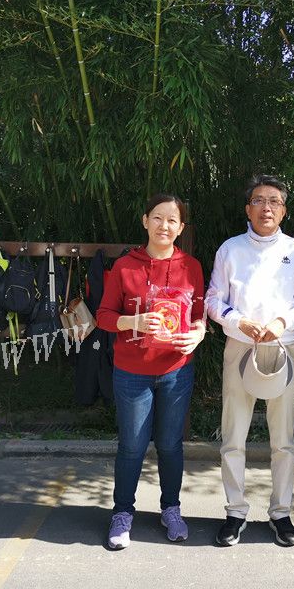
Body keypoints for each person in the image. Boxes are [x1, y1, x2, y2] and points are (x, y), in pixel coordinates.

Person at [206, 174, 294, 547]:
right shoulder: (230, 249)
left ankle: (281, 513)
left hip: (283, 348)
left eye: (274, 201)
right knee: (233, 436)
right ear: (247, 208)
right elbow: (213, 299)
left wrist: (282, 322)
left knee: (283, 440)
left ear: (283, 210)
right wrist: (239, 322)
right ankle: (235, 512)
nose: (266, 207)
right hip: (240, 347)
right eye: (259, 200)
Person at [96, 194, 206, 550]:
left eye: (172, 220)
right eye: (158, 218)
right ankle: (122, 513)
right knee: (132, 446)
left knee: (171, 445)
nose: (164, 226)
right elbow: (103, 317)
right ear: (145, 221)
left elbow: (199, 315)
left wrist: (199, 334)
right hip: (132, 371)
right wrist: (135, 321)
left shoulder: (192, 266)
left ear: (181, 227)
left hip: (176, 370)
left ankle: (171, 509)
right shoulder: (125, 266)